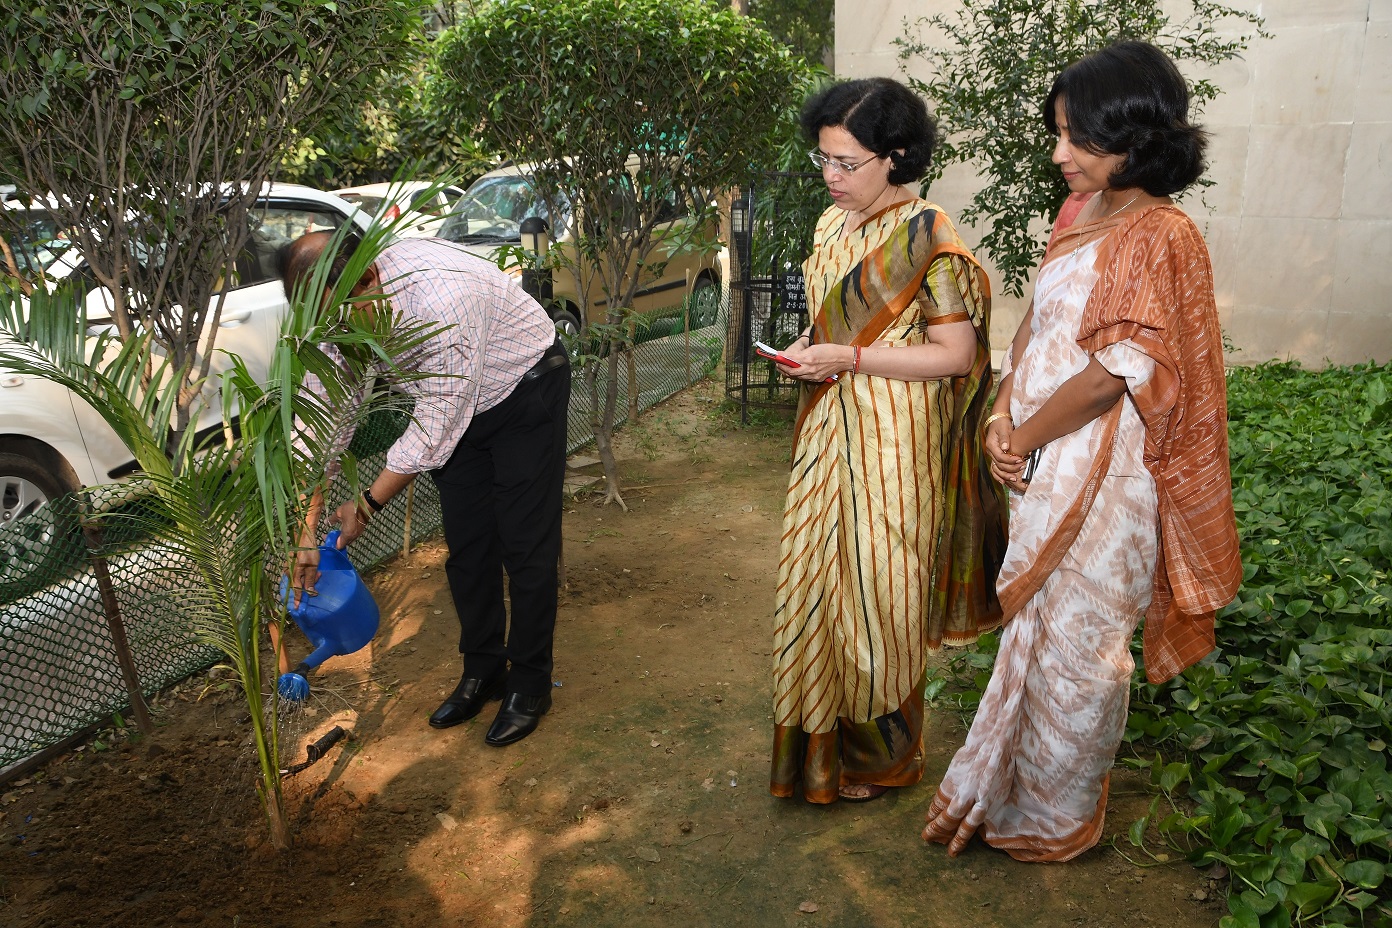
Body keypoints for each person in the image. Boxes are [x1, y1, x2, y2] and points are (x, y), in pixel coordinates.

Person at [921, 40, 1242, 860]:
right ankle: (1004, 795)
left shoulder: (1162, 233)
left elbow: (1111, 375)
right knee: (1032, 636)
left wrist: (1024, 433)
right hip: (1039, 461)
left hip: (1110, 475)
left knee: (1081, 652)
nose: (1060, 154)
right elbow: (1037, 322)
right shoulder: (1081, 214)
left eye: (1079, 137)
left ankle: (1055, 819)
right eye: (1058, 133)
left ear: (1136, 136)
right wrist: (1000, 412)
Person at [769, 77, 1006, 804]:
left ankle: (884, 759)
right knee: (817, 585)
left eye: (848, 163)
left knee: (882, 598)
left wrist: (849, 357)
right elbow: (829, 317)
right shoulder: (829, 225)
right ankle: (820, 748)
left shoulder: (927, 236)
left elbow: (956, 356)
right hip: (826, 428)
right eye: (823, 159)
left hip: (895, 441)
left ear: (896, 157)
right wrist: (806, 347)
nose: (831, 176)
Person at [281, 232, 570, 747]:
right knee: (469, 548)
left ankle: (530, 683)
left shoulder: (440, 300)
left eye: (338, 318)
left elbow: (436, 424)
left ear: (366, 280)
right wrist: (307, 529)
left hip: (523, 388)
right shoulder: (338, 309)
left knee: (526, 546)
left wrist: (365, 506)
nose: (335, 333)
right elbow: (326, 418)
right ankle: (484, 669)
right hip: (457, 405)